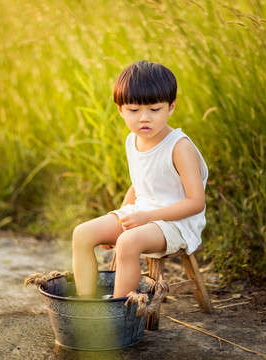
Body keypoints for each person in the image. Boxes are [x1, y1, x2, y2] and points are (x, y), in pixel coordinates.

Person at [72, 60, 208, 298]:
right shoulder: (131, 140)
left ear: (171, 107)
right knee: (82, 234)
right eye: (134, 110)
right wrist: (122, 216)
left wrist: (145, 217)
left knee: (127, 242)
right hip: (143, 213)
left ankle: (120, 312)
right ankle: (85, 304)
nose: (144, 118)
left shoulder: (178, 146)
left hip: (176, 222)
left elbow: (196, 202)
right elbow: (140, 183)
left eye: (155, 110)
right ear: (120, 109)